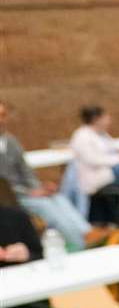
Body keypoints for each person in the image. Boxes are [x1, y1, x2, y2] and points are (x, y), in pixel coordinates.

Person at [0, 99, 93, 249]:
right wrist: (30, 192)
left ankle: (88, 233)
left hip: (29, 192)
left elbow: (25, 170)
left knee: (59, 198)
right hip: (11, 197)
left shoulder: (11, 140)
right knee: (46, 207)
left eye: (4, 115)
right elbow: (3, 185)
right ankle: (81, 243)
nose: (2, 120)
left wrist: (40, 188)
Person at [69, 105, 119, 197]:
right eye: (106, 116)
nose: (109, 119)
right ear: (96, 119)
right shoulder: (82, 136)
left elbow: (115, 147)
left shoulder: (101, 133)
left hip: (113, 168)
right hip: (99, 177)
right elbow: (93, 160)